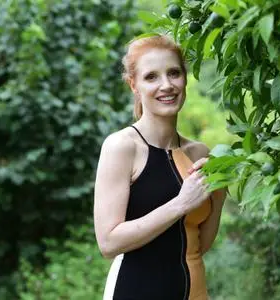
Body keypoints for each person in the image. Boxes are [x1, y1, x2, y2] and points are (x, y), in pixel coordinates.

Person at [93, 34, 226, 300]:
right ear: (134, 85)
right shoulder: (122, 147)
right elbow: (108, 243)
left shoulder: (200, 153)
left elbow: (200, 244)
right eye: (151, 77)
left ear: (185, 79)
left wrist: (219, 189)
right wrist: (181, 203)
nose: (166, 85)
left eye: (174, 73)